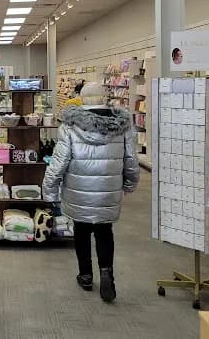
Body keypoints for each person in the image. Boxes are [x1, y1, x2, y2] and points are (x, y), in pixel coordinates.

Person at [42, 82, 139, 303]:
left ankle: (85, 275)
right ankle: (107, 273)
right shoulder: (122, 126)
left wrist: (49, 190)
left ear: (82, 99)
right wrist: (130, 183)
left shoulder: (69, 126)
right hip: (108, 190)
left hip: (79, 189)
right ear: (104, 98)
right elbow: (131, 159)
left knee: (82, 231)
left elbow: (59, 162)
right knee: (105, 231)